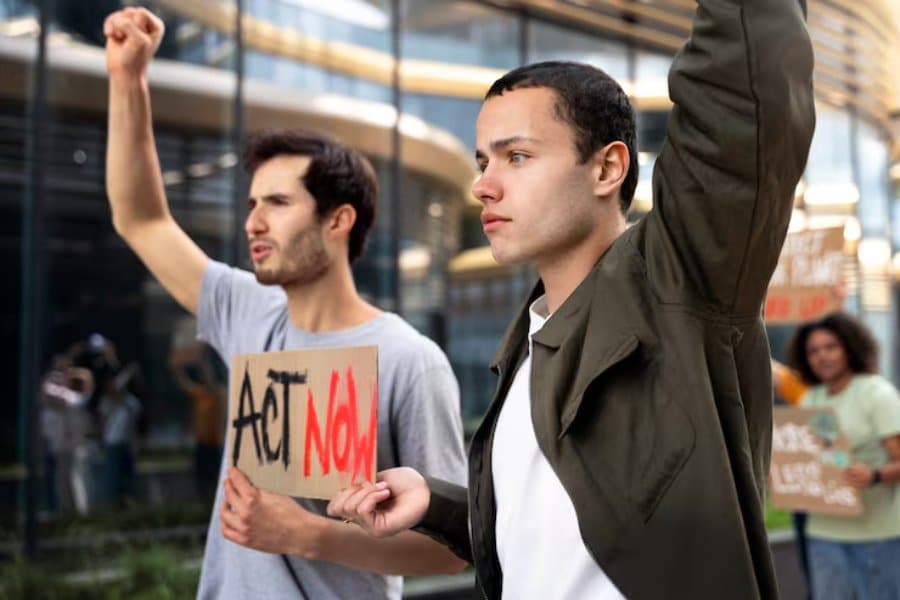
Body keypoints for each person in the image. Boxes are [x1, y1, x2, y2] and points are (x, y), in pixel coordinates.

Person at [329, 0, 816, 598]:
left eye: (518, 156)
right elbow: (556, 540)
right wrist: (438, 503)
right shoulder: (528, 345)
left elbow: (746, 90)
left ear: (608, 167)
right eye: (484, 161)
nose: (483, 184)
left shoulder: (680, 283)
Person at [102, 7, 467, 599]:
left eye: (276, 203)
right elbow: (141, 218)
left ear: (338, 220)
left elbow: (451, 548)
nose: (253, 222)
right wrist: (128, 79)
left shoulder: (409, 360)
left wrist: (309, 534)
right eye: (250, 204)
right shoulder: (248, 311)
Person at [786, 312, 900, 600]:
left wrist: (875, 475)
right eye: (813, 351)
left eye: (831, 347)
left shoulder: (877, 394)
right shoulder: (812, 399)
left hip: (876, 535)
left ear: (850, 347)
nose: (822, 357)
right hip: (823, 533)